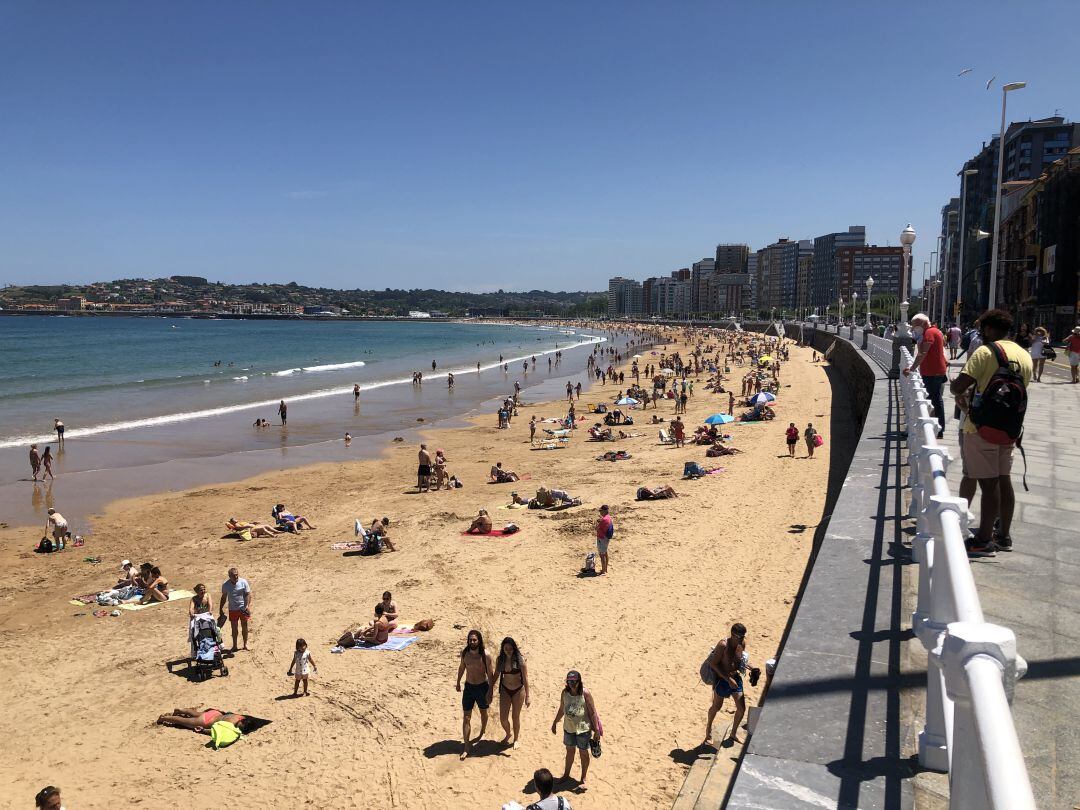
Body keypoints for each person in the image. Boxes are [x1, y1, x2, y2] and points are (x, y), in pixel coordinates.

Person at [950, 309, 1032, 555]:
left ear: (987, 329)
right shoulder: (1024, 354)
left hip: (980, 428)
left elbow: (958, 387)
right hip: (1010, 428)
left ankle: (983, 540)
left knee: (988, 485)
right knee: (1004, 480)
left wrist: (957, 386)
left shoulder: (985, 352)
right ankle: (1003, 536)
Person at [550, 670, 599, 790]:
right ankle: (566, 775)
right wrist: (555, 722)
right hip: (569, 728)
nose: (571, 684)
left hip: (583, 729)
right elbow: (562, 709)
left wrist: (596, 730)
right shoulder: (564, 693)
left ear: (579, 681)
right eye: (569, 681)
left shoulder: (585, 693)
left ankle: (583, 777)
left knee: (583, 753)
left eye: (574, 681)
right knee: (569, 752)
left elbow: (593, 712)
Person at [904, 313, 949, 437]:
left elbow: (923, 352)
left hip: (933, 372)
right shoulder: (935, 331)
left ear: (923, 323)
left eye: (915, 326)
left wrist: (912, 368)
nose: (914, 329)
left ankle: (938, 429)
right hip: (934, 371)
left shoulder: (930, 333)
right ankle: (936, 427)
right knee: (934, 399)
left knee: (934, 399)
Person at [704, 622, 749, 745]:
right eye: (740, 636)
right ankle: (708, 731)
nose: (743, 639)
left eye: (743, 636)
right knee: (716, 707)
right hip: (722, 680)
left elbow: (739, 662)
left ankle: (733, 733)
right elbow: (714, 664)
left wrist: (752, 668)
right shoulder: (723, 645)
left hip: (736, 678)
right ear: (733, 635)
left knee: (741, 708)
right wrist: (728, 679)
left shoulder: (742, 644)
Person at [456, 629, 493, 759]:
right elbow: (462, 667)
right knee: (466, 717)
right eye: (470, 640)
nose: (472, 642)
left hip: (482, 687)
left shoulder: (485, 655)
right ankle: (466, 746)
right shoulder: (464, 653)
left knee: (484, 712)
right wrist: (458, 682)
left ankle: (482, 731)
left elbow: (490, 674)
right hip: (469, 688)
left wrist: (490, 690)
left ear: (479, 640)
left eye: (475, 640)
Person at [496, 637, 530, 748]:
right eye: (506, 648)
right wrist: (489, 689)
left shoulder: (520, 660)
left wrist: (528, 696)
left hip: (518, 690)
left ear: (514, 648)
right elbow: (496, 675)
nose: (508, 650)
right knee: (503, 718)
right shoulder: (500, 660)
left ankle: (516, 739)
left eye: (510, 648)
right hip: (505, 690)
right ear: (503, 649)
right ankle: (508, 733)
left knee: (515, 716)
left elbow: (525, 678)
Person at [219, 568, 252, 651]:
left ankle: (245, 644)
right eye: (234, 575)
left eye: (237, 574)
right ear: (229, 576)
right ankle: (234, 645)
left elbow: (248, 594)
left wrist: (247, 606)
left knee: (245, 626)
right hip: (233, 609)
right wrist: (220, 608)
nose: (236, 576)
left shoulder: (243, 582)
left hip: (243, 608)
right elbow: (224, 597)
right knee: (234, 628)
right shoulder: (226, 585)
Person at [156, 706, 249, 733]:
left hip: (215, 713)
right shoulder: (231, 725)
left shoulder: (240, 716)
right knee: (181, 721)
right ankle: (163, 718)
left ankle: (180, 710)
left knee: (194, 713)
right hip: (206, 722)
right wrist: (203, 730)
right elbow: (214, 730)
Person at [595, 505, 613, 576]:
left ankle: (603, 571)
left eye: (600, 511)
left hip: (602, 538)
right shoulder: (608, 517)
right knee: (605, 553)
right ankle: (605, 569)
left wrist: (598, 523)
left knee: (602, 555)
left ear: (604, 511)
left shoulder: (604, 519)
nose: (600, 512)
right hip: (606, 538)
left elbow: (597, 528)